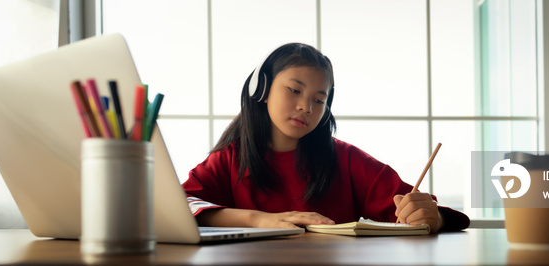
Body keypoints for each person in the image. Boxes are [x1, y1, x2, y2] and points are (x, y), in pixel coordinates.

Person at [182, 43, 469, 232]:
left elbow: (416, 207)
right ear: (262, 89)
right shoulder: (229, 159)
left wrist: (432, 216)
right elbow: (182, 205)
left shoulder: (346, 160)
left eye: (319, 100)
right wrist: (258, 219)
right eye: (294, 90)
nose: (306, 107)